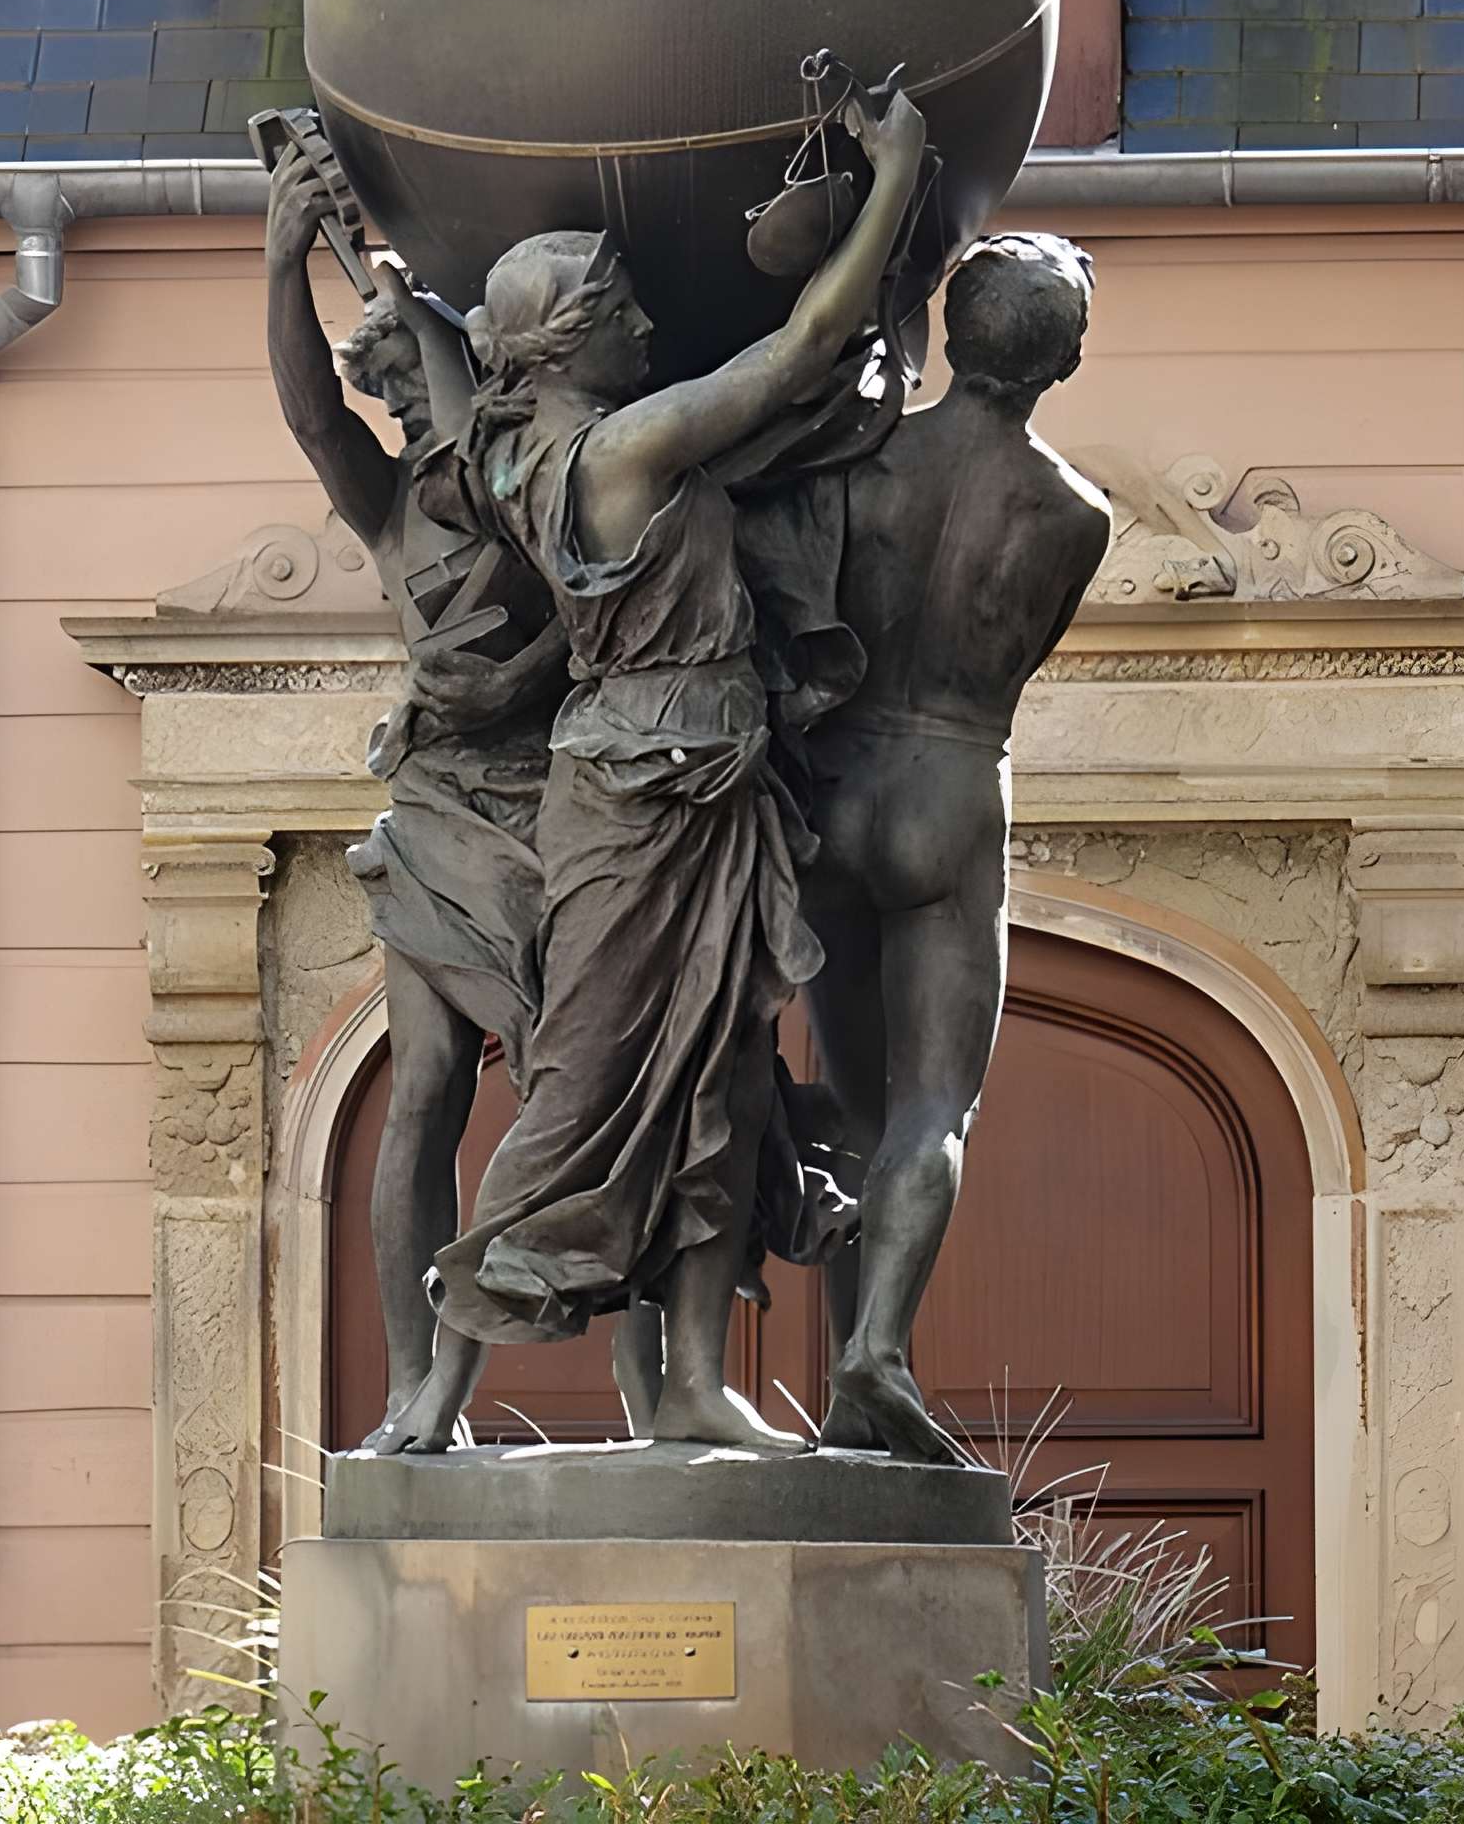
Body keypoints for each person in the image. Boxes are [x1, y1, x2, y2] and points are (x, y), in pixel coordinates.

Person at [370, 80, 928, 1456]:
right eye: (618, 307)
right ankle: (441, 1385)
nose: (643, 320)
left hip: (709, 781)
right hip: (639, 795)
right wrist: (902, 173)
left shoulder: (513, 447)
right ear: (565, 343)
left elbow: (463, 387)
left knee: (721, 1077)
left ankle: (692, 1381)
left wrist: (414, 301)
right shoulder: (619, 447)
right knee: (588, 1088)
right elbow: (799, 351)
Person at [264, 143, 576, 1439]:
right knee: (428, 1088)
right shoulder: (397, 514)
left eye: (405, 361)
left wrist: (399, 274)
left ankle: (663, 1386)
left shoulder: (533, 488)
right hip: (442, 814)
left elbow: (589, 616)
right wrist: (287, 255)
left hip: (572, 816)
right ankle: (418, 1386)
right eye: (380, 370)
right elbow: (306, 416)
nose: (390, 387)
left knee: (611, 1091)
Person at [796, 232, 1111, 1462]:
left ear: (957, 327)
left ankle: (853, 1384)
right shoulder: (1073, 515)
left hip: (838, 780)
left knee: (859, 1104)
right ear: (1066, 358)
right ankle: (875, 1352)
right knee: (935, 1104)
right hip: (952, 779)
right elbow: (1019, 661)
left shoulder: (862, 467)